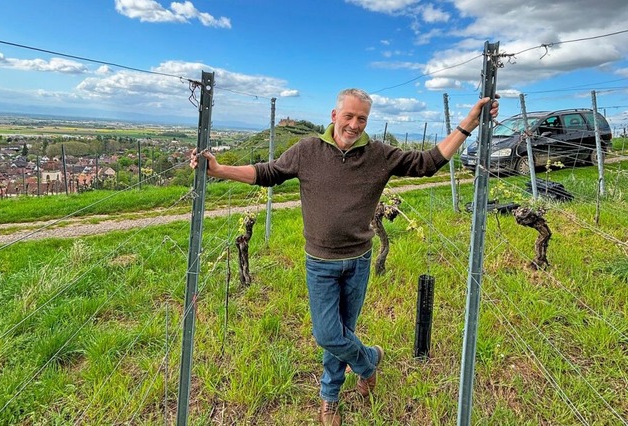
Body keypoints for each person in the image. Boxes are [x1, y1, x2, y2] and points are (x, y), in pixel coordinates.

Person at [190, 88, 499, 425]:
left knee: (342, 332)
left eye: (362, 119)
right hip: (320, 262)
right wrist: (219, 171)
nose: (354, 124)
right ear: (334, 115)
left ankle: (330, 397)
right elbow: (268, 173)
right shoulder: (308, 150)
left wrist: (469, 123)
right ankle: (369, 362)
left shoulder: (379, 154)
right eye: (349, 116)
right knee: (328, 334)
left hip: (359, 261)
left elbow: (428, 163)